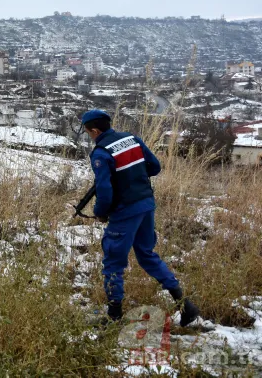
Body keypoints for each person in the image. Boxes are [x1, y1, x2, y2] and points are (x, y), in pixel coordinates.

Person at [82, 109, 199, 325]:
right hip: (146, 204)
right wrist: (134, 177)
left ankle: (114, 315)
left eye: (89, 132)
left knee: (113, 262)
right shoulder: (131, 139)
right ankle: (185, 305)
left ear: (95, 131)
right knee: (146, 254)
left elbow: (105, 191)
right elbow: (155, 167)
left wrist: (100, 213)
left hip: (125, 212)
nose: (90, 136)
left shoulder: (100, 153)